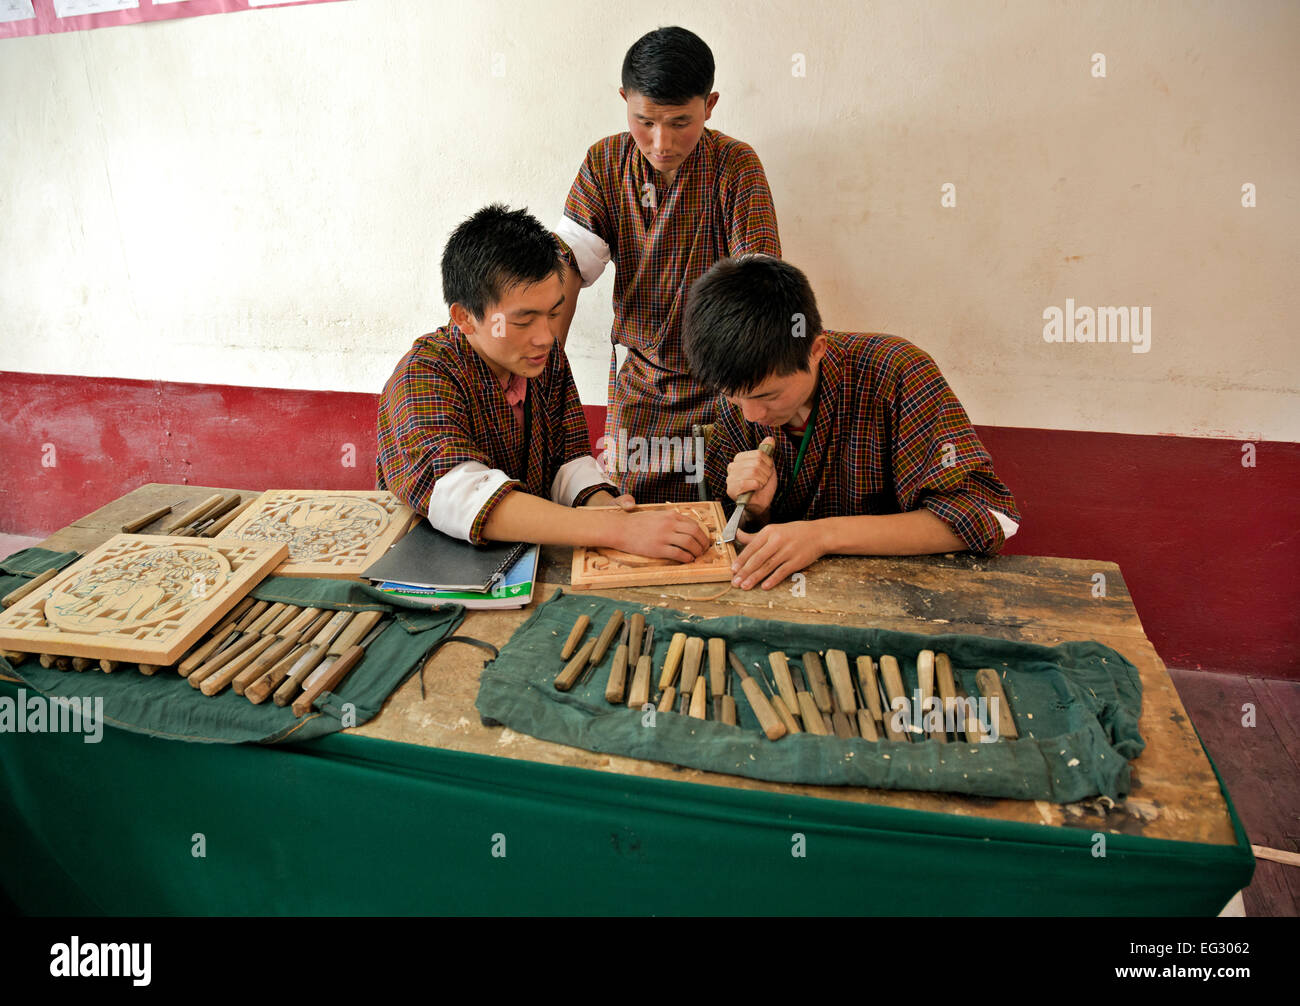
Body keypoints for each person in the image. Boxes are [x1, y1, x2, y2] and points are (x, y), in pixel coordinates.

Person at [376, 204, 710, 562]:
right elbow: (465, 496)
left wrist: (606, 508)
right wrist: (617, 530)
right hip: (431, 571)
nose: (546, 337)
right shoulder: (422, 377)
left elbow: (568, 461)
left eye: (553, 313)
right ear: (465, 317)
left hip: (522, 562)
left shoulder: (544, 362)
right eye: (523, 321)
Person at [682, 256, 1021, 590]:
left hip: (899, 596)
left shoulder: (897, 373)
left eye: (768, 396)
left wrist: (822, 536)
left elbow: (985, 515)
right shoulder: (740, 400)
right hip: (788, 600)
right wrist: (757, 512)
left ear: (816, 350)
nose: (751, 415)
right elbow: (730, 534)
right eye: (732, 396)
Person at [553, 25, 781, 504]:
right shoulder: (605, 162)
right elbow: (565, 269)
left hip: (719, 392)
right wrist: (547, 370)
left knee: (716, 521)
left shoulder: (735, 166)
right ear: (624, 100)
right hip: (639, 388)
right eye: (646, 121)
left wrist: (751, 391)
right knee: (626, 516)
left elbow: (760, 287)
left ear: (710, 105)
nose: (661, 142)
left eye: (680, 122)